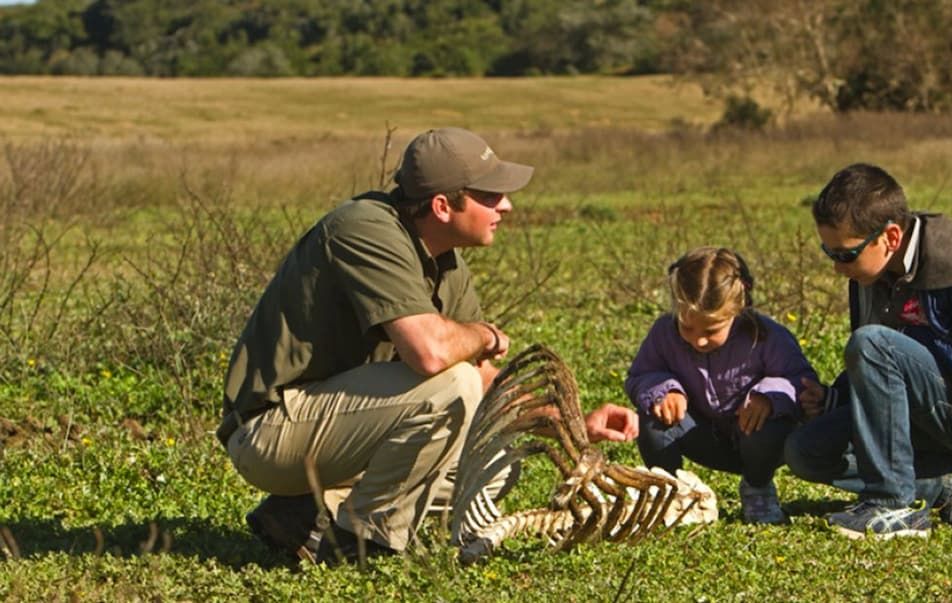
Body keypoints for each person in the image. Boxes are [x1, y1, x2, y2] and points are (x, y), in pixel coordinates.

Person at [217, 126, 638, 564]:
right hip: (269, 432)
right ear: (442, 206)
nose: (507, 206)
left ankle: (309, 516)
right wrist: (485, 334)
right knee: (450, 384)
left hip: (339, 429)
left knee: (496, 456)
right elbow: (431, 354)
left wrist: (571, 424)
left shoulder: (445, 261)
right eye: (491, 195)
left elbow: (484, 382)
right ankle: (361, 546)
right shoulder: (363, 228)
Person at [784, 163, 952, 540]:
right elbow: (882, 367)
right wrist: (835, 397)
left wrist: (910, 346)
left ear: (891, 236)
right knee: (805, 451)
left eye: (845, 254)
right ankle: (950, 484)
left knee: (874, 342)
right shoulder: (869, 270)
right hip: (923, 414)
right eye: (828, 252)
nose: (837, 267)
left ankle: (892, 507)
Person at [625, 247, 817, 524]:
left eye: (711, 330)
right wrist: (664, 390)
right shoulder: (663, 334)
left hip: (757, 440)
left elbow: (800, 380)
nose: (698, 340)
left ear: (738, 311)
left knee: (770, 425)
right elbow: (640, 375)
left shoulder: (767, 336)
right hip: (701, 435)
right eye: (687, 327)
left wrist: (769, 396)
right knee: (652, 419)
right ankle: (669, 494)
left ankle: (757, 487)